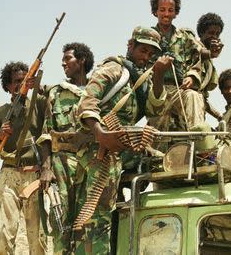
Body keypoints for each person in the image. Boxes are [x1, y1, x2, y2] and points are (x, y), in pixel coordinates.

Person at [73, 26, 172, 254]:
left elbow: (154, 109)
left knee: (107, 211)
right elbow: (87, 102)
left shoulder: (142, 79)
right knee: (97, 216)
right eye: (142, 51)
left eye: (150, 54)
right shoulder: (114, 69)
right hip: (98, 148)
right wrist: (101, 134)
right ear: (130, 46)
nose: (145, 57)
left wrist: (158, 74)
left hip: (116, 150)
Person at [0, 61, 48, 254]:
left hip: (35, 175)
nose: (20, 84)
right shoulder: (0, 113)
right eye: (16, 81)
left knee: (37, 236)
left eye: (24, 80)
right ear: (8, 86)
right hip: (8, 175)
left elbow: (56, 110)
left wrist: (39, 88)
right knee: (1, 233)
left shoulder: (40, 104)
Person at [38, 42, 95, 254]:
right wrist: (46, 168)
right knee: (61, 220)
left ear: (81, 61)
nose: (63, 63)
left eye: (68, 58)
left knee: (86, 224)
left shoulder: (96, 92)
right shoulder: (56, 93)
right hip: (62, 163)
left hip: (90, 163)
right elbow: (46, 134)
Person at [147, 0, 211, 131]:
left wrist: (192, 77)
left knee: (194, 96)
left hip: (180, 89)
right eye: (162, 10)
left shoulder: (185, 37)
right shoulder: (147, 37)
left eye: (170, 10)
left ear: (176, 13)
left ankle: (200, 142)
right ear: (155, 11)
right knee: (158, 137)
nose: (166, 14)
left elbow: (200, 58)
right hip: (156, 91)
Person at [196, 12, 225, 120]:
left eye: (217, 34)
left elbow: (201, 96)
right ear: (201, 33)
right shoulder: (193, 51)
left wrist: (218, 115)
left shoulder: (208, 62)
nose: (214, 37)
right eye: (211, 33)